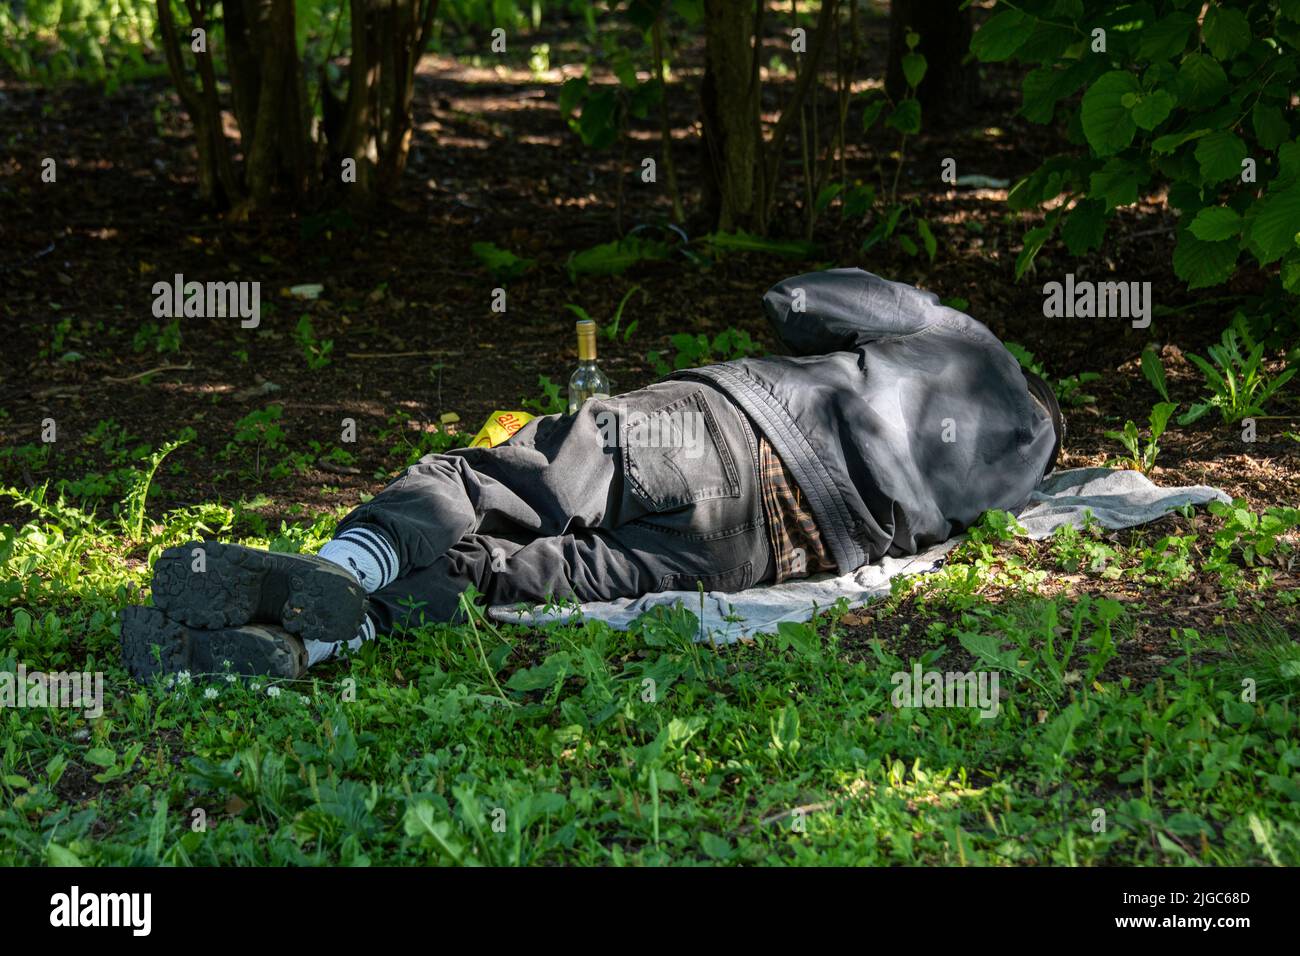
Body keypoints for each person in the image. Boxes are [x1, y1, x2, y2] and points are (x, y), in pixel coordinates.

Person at [121, 268, 1064, 680]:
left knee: (488, 481)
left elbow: (798, 301)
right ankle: (324, 643)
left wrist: (905, 306)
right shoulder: (1021, 464)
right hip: (762, 557)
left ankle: (345, 566)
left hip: (729, 434)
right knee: (504, 577)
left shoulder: (950, 331)